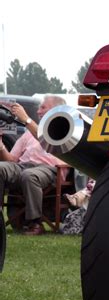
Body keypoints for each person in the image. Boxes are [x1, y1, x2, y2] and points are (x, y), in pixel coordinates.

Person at [0, 95, 67, 235]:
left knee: (29, 175)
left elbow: (47, 140)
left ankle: (34, 223)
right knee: (2, 168)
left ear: (57, 110)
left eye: (43, 107)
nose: (38, 111)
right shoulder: (28, 134)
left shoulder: (63, 131)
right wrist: (0, 145)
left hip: (49, 169)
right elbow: (11, 160)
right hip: (23, 166)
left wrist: (26, 119)